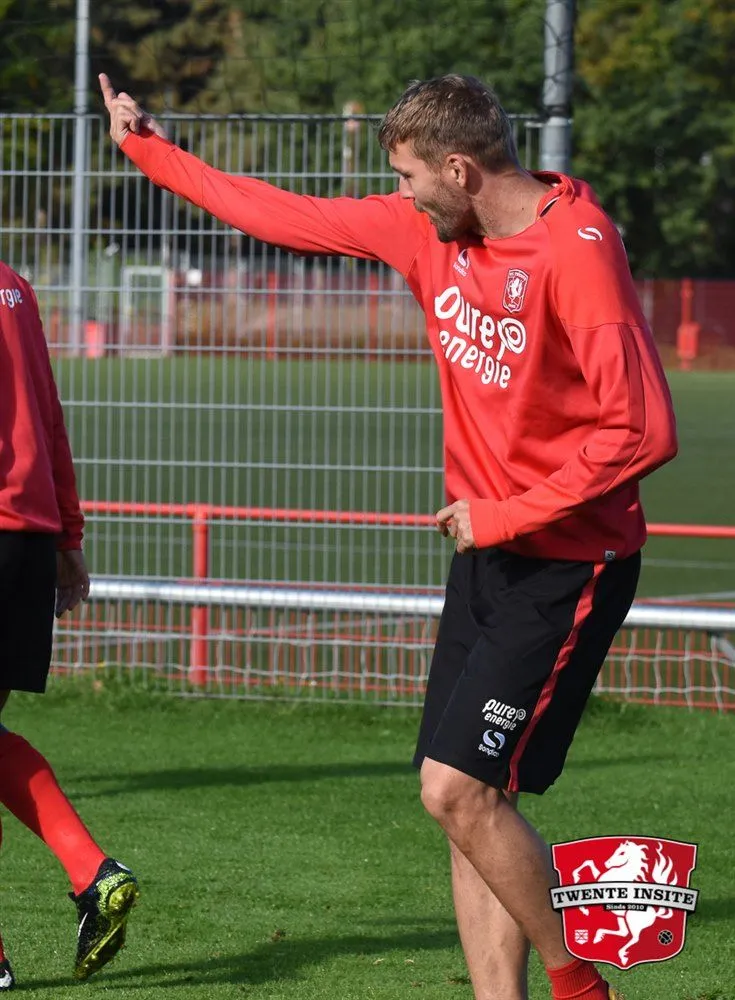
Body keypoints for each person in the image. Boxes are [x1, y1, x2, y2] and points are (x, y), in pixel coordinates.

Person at [99, 72, 677, 1000]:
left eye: (408, 176)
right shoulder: (427, 229)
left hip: (569, 563)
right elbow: (273, 211)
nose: (399, 195)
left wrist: (506, 512)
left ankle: (579, 984)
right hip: (487, 558)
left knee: (454, 790)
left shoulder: (577, 252)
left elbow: (642, 430)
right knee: (470, 806)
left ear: (459, 167)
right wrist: (145, 149)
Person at [0, 261, 140, 988]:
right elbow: (47, 413)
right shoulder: (14, 287)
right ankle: (91, 871)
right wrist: (67, 538)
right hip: (24, 536)